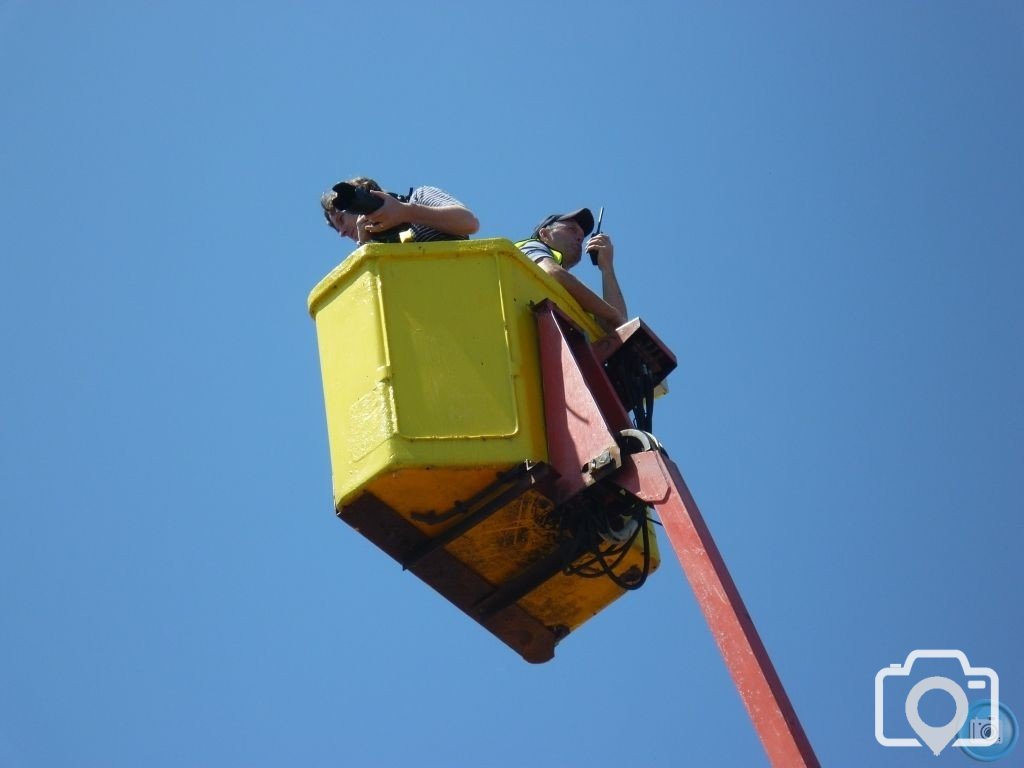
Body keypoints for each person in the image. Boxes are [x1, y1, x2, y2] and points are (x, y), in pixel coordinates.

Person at [516, 208, 628, 331]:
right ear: (545, 234)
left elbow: (621, 329)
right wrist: (613, 316)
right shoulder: (532, 246)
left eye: (581, 236)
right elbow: (553, 272)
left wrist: (607, 267)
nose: (580, 238)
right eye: (571, 229)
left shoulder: (574, 293)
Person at [320, 177, 478, 244]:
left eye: (341, 220)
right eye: (336, 228)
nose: (341, 232)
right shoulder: (371, 246)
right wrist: (367, 245)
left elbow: (469, 222)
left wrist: (405, 212)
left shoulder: (419, 198)